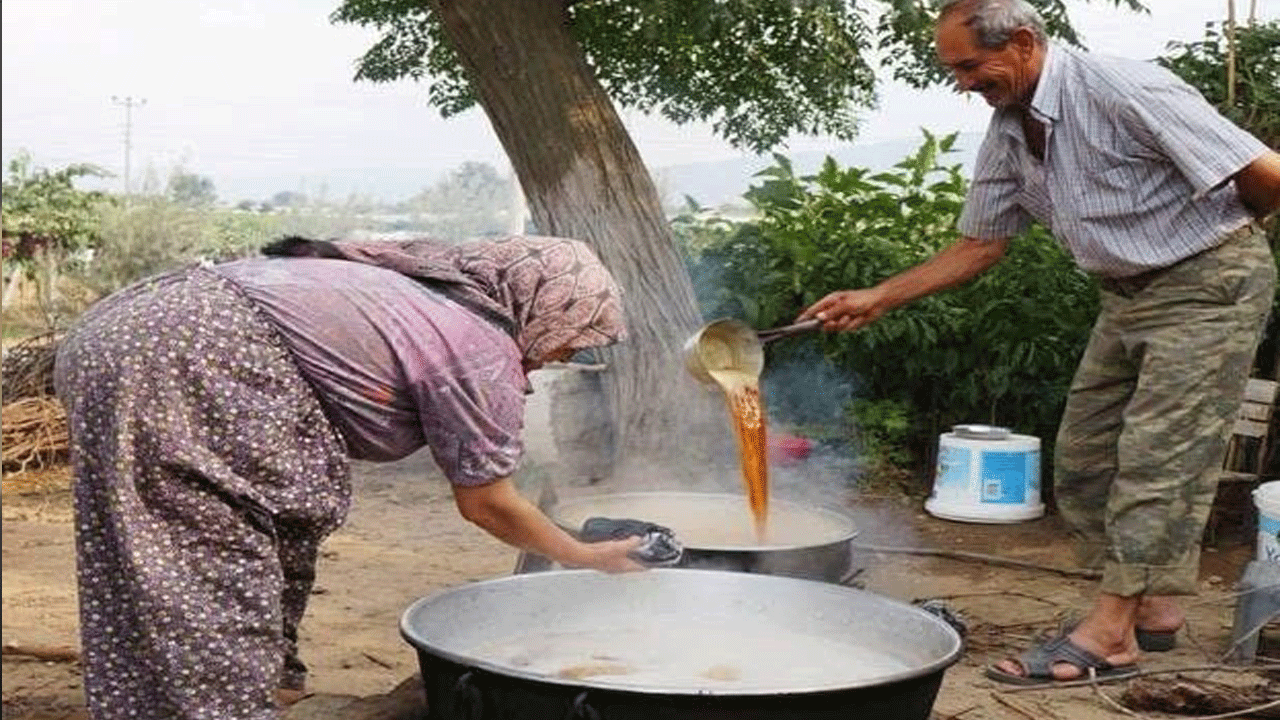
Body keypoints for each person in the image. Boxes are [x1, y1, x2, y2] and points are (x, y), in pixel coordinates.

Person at [798, 0, 1280, 685]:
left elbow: (1264, 174)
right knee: (1083, 458)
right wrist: (878, 297)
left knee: (1158, 457)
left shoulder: (1122, 89)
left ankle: (1111, 634)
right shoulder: (1008, 130)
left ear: (1023, 42)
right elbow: (982, 242)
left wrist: (1232, 242)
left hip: (1208, 281)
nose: (963, 82)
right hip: (1125, 294)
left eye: (971, 65)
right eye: (952, 70)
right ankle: (1152, 605)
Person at [53, 234, 646, 719]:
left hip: (127, 329)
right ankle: (221, 706)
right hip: (192, 355)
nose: (563, 358)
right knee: (208, 559)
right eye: (575, 337)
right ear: (545, 303)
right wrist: (582, 554)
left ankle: (257, 688)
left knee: (182, 543)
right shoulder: (477, 347)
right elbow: (488, 504)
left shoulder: (420, 293)